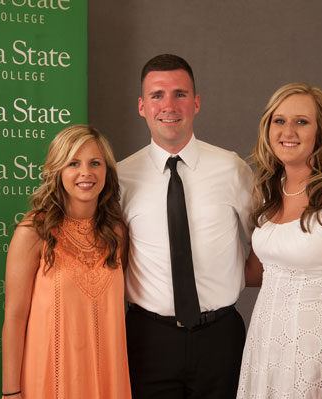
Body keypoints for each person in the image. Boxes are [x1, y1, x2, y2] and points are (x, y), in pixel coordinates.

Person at [118, 54, 253, 398]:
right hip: (148, 339)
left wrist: (234, 273)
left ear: (196, 103)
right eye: (157, 95)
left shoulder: (231, 168)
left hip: (220, 337)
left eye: (180, 94)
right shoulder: (119, 177)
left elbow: (269, 243)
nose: (168, 105)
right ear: (141, 106)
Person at [237, 83, 322, 399]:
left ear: (320, 132)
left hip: (317, 358)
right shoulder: (269, 193)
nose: (289, 130)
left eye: (302, 121)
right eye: (279, 120)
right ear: (267, 128)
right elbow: (259, 273)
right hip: (265, 351)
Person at [1, 125, 132, 399]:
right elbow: (14, 317)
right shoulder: (33, 231)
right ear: (58, 171)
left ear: (106, 171)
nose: (86, 173)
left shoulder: (117, 233)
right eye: (73, 163)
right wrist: (10, 392)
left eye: (95, 163)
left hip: (108, 377)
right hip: (50, 376)